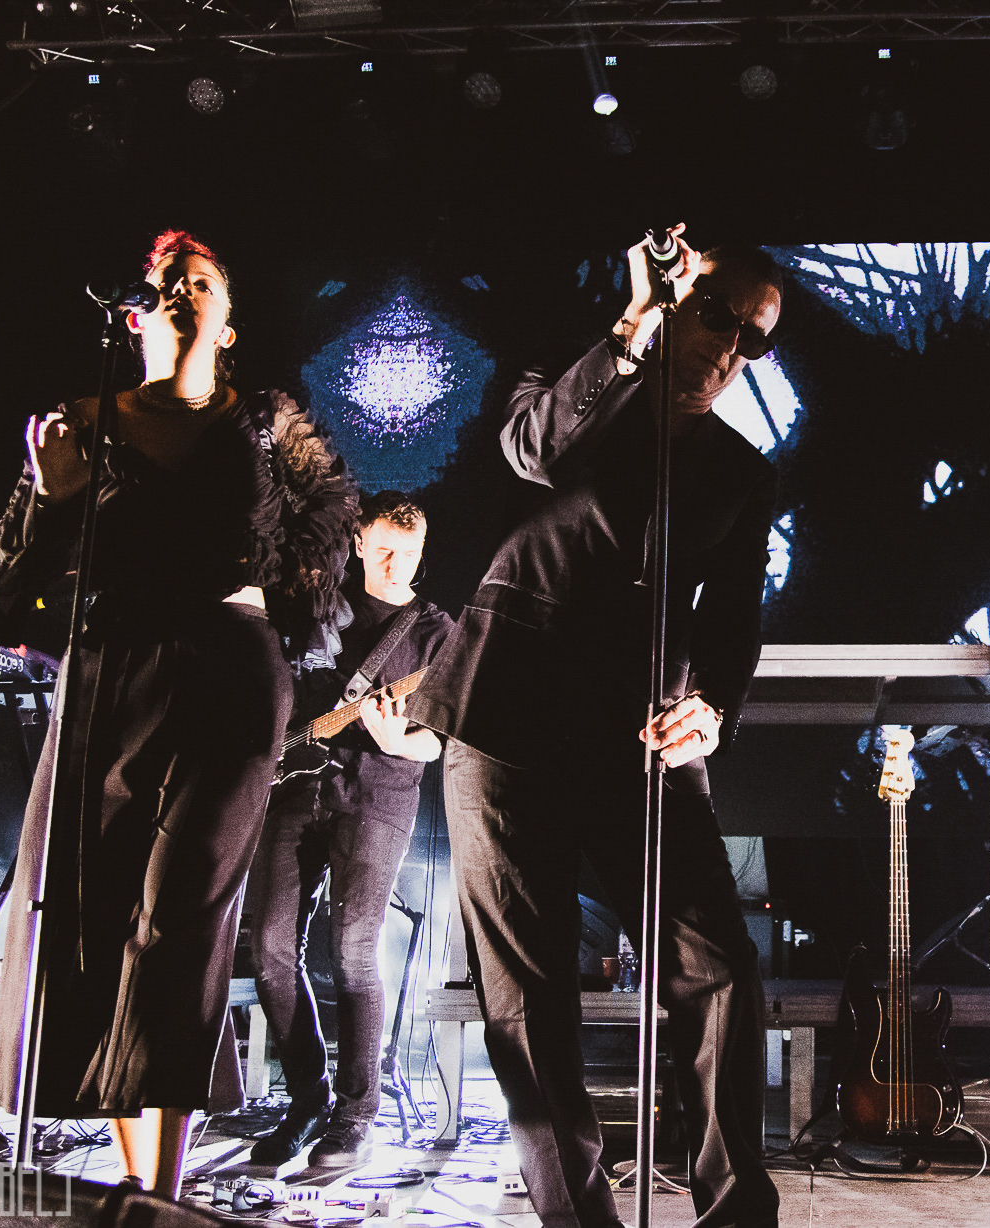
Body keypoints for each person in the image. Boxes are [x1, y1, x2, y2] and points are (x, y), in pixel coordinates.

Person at [0, 230, 357, 1198]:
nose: (181, 289)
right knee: (97, 915)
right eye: (167, 280)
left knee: (181, 919)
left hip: (230, 671)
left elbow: (332, 522)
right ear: (135, 314)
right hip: (112, 669)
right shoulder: (81, 420)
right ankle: (144, 1191)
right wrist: (55, 500)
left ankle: (162, 1197)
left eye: (201, 281)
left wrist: (273, 597)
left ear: (228, 320)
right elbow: (8, 581)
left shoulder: (265, 421)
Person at [407, 229, 782, 1228]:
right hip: (505, 715)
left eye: (752, 338)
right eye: (717, 314)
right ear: (676, 293)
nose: (727, 347)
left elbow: (734, 620)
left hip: (638, 734)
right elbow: (533, 452)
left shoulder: (741, 472)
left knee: (718, 965)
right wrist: (632, 326)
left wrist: (715, 706)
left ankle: (738, 1212)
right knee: (526, 994)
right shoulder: (577, 381)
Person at [247, 490, 453, 1168]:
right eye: (384, 551)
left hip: (379, 794)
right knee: (271, 950)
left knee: (356, 952)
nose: (396, 566)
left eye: (409, 555)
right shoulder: (317, 607)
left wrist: (400, 741)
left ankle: (355, 1116)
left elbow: (442, 739)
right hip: (294, 789)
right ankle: (307, 1099)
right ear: (359, 543)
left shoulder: (436, 633)